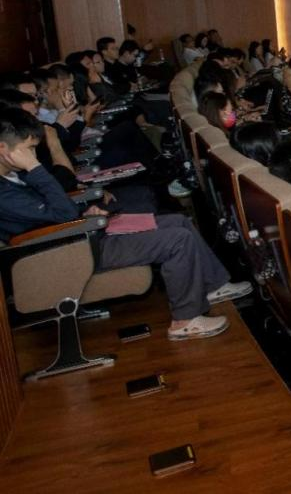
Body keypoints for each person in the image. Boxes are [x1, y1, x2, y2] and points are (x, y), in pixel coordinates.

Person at [0, 108, 250, 339]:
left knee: (178, 221)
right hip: (67, 253)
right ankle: (185, 320)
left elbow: (56, 210)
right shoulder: (6, 191)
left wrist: (84, 211)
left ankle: (211, 285)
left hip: (79, 236)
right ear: (3, 148)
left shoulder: (14, 176)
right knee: (177, 240)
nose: (33, 157)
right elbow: (61, 216)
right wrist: (36, 169)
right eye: (29, 150)